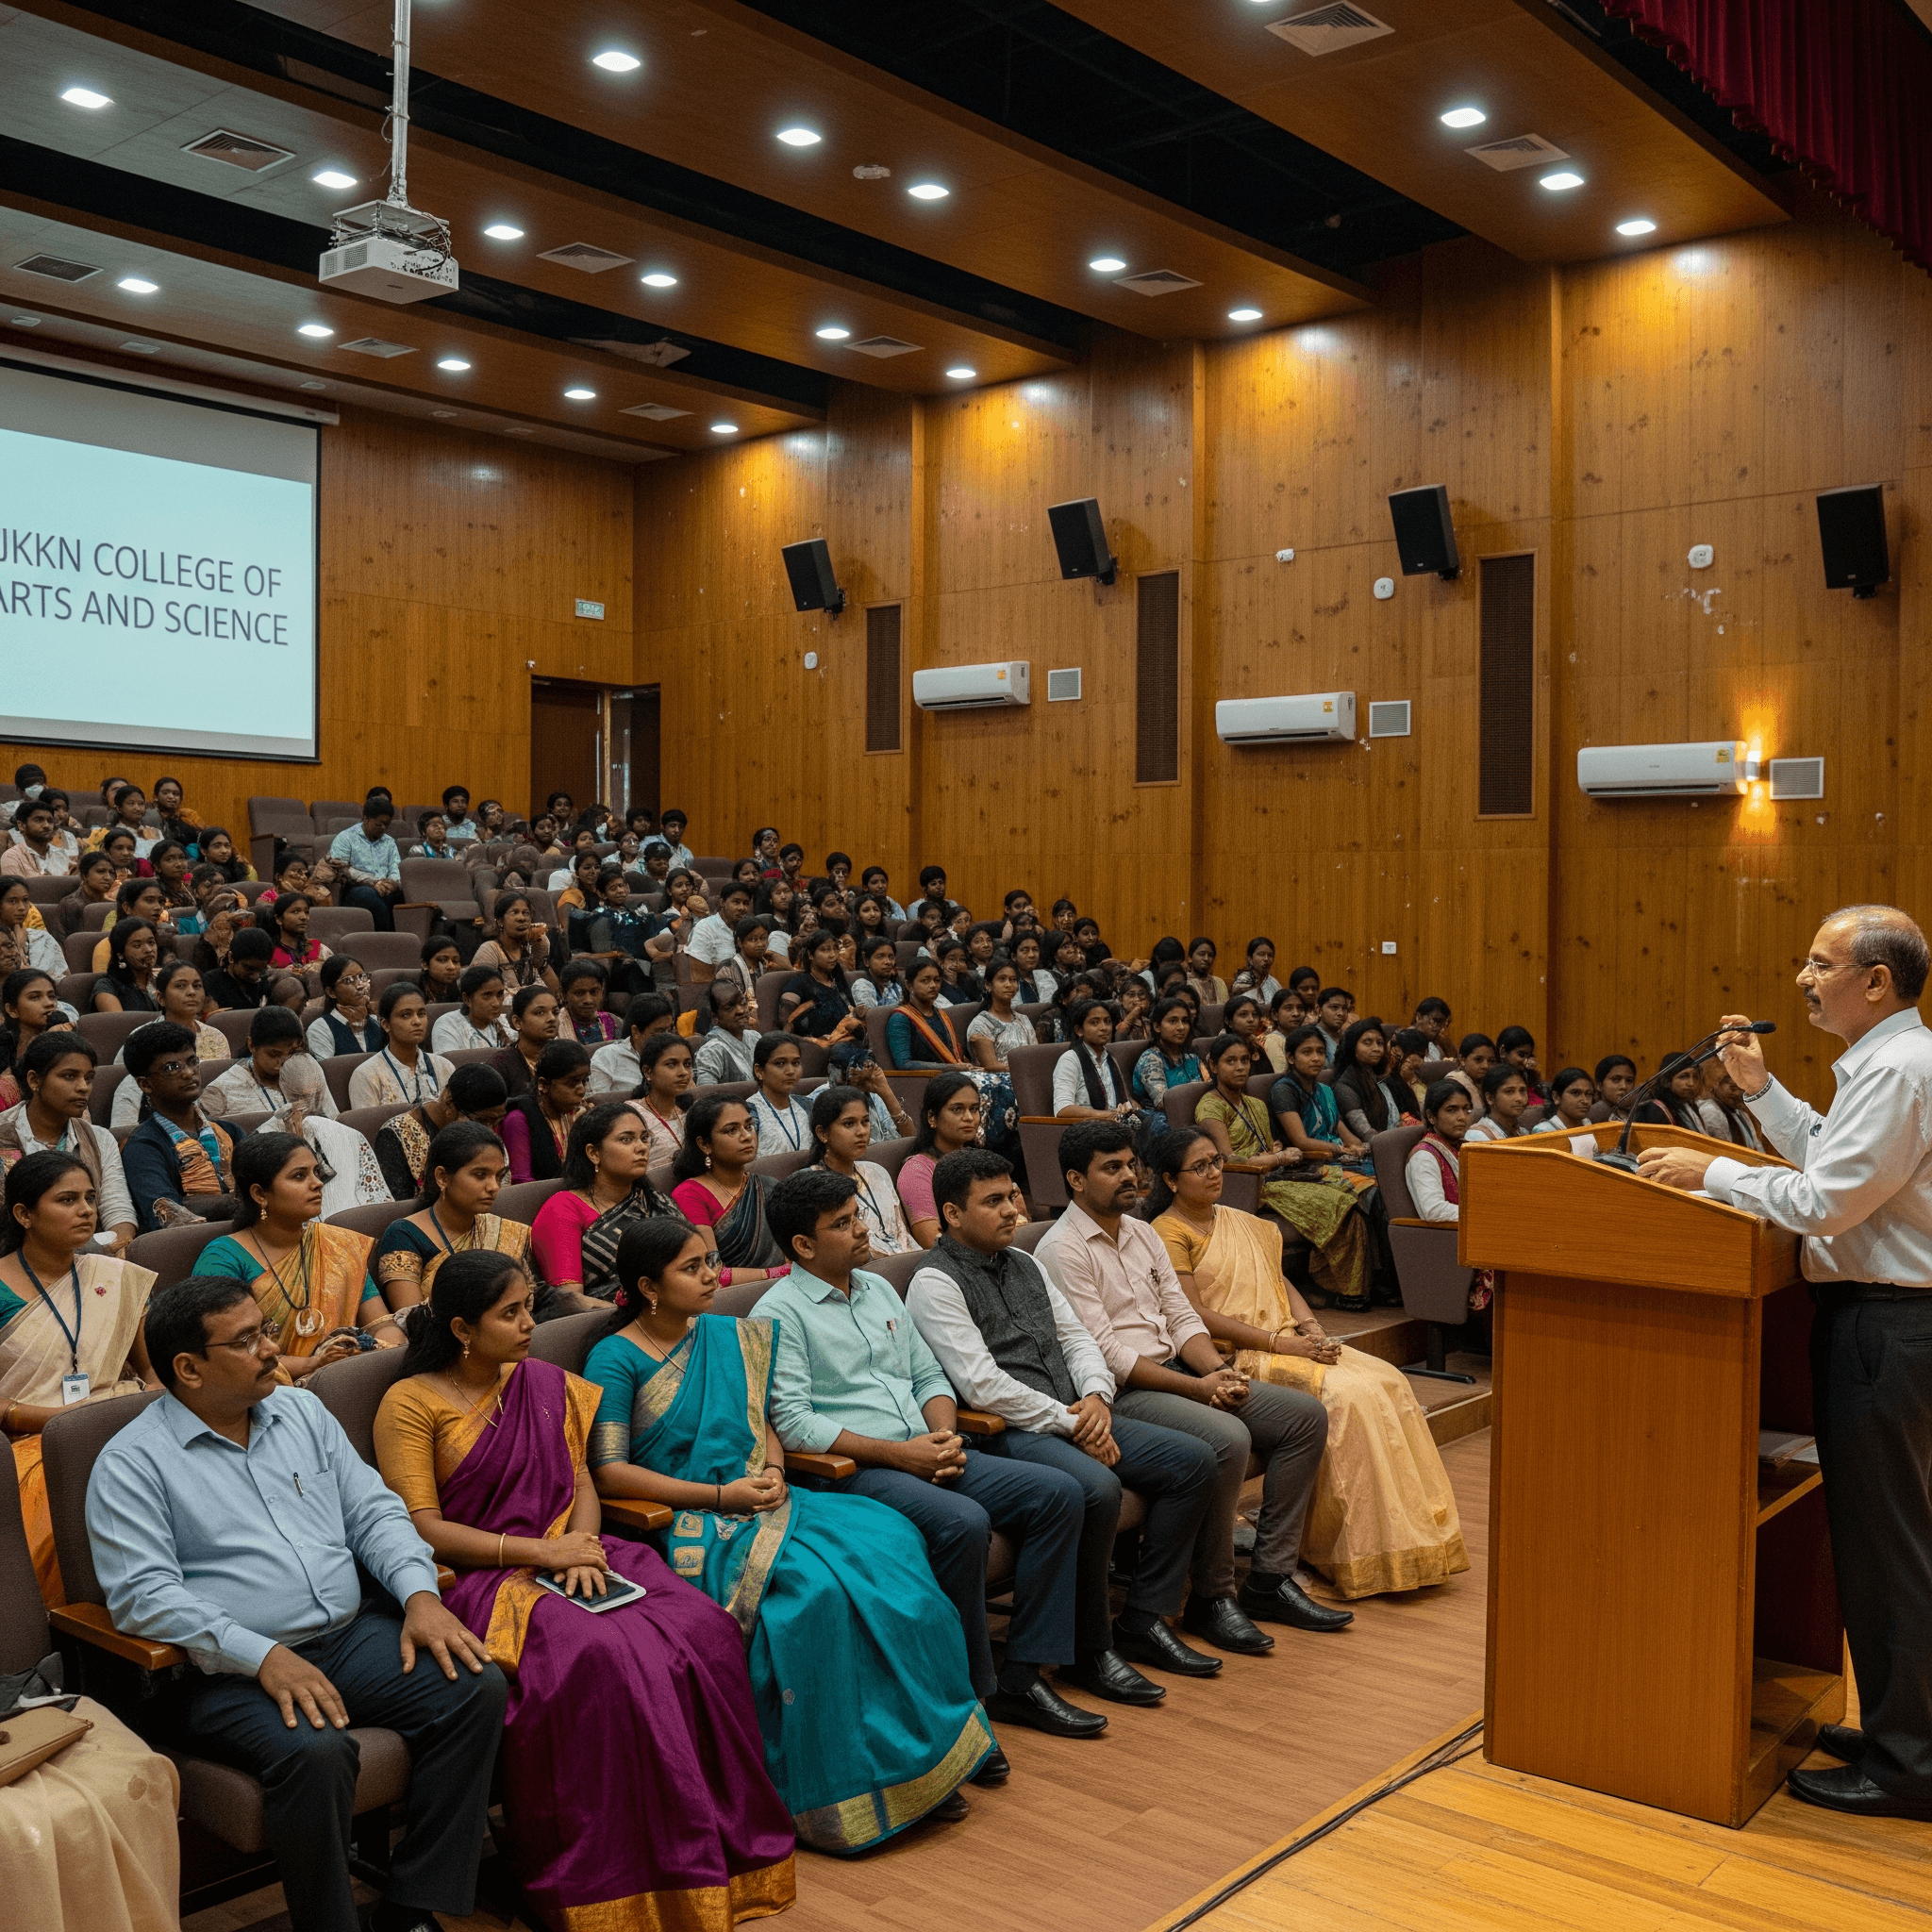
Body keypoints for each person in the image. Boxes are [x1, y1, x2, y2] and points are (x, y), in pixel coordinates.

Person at [370, 1245, 801, 1924]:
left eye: (528, 1308)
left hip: (577, 1552)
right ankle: (609, 1874)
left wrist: (584, 1548)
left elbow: (579, 1483)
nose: (527, 1325)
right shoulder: (411, 1402)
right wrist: (543, 1551)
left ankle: (705, 1847)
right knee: (600, 1656)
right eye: (509, 1314)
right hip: (486, 1576)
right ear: (460, 1329)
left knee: (706, 1631)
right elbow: (420, 1528)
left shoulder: (544, 1382)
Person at [86, 1274, 508, 1932]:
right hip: (220, 1673)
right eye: (247, 1340)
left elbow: (375, 1514)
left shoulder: (301, 1412)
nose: (270, 1350)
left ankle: (411, 1904)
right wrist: (262, 1656)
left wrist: (421, 1595)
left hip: (347, 1635)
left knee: (472, 1687)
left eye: (265, 1332)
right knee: (315, 1751)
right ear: (189, 1368)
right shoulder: (132, 1463)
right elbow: (144, 1598)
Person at [1634, 907, 1932, 1821]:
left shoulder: (1894, 1069)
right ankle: (1900, 1728)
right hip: (1880, 1323)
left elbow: (1823, 1199)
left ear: (1872, 980)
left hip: (1882, 1327)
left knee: (1888, 1547)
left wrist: (1707, 1171)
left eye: (1818, 962)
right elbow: (1834, 1162)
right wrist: (1760, 1092)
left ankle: (1906, 1761)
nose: (1801, 978)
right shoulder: (1891, 1062)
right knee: (1888, 1540)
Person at [583, 1220, 991, 1845]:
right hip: (689, 1522)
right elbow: (610, 1473)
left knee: (894, 1547)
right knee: (813, 1599)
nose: (711, 1278)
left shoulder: (726, 1336)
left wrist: (772, 1469)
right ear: (647, 1286)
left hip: (766, 1497)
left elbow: (762, 1420)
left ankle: (919, 1763)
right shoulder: (615, 1357)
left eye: (711, 1262)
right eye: (691, 1268)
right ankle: (832, 1789)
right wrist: (724, 1495)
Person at [758, 1167, 1098, 1744]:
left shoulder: (878, 1288)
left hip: (926, 1449)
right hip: (854, 1471)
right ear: (803, 1246)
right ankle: (969, 1696)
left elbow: (928, 1375)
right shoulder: (778, 1312)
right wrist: (900, 1455)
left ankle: (1023, 1675)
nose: (863, 1230)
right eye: (843, 1224)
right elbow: (792, 1423)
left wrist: (942, 1438)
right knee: (964, 1523)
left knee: (1058, 1494)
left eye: (858, 1215)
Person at [907, 1148, 1226, 1699]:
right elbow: (983, 1385)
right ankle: (1087, 1649)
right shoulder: (934, 1283)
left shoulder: (1025, 1261)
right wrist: (1072, 1421)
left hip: (1076, 1412)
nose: (1012, 1210)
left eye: (1012, 1196)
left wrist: (1099, 1397)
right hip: (1008, 1431)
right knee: (1097, 1487)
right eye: (994, 1202)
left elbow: (1077, 1337)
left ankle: (1145, 1618)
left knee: (1194, 1462)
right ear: (952, 1215)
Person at [1038, 1122, 1349, 1641]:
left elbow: (1183, 1318)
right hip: (1124, 1392)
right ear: (1075, 1178)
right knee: (1229, 1438)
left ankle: (1270, 1577)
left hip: (1182, 1371)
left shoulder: (1140, 1232)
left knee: (1303, 1417)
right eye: (1110, 1168)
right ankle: (1213, 1595)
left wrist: (1216, 1372)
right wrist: (1198, 1389)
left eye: (1130, 1164)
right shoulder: (1062, 1249)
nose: (1128, 1176)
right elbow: (1106, 1355)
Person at [1150, 1127, 1469, 1599]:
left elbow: (1280, 1283)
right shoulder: (1166, 1231)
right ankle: (1343, 1548)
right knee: (1347, 1396)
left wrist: (1312, 1329)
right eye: (1199, 1167)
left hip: (1287, 1338)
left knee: (1389, 1379)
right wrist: (1282, 1344)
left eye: (1216, 1162)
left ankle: (1408, 1539)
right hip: (1240, 1355)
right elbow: (1194, 1312)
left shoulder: (1240, 1220)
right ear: (1170, 1180)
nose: (1214, 1173)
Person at [0, 1151, 155, 1602]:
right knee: (52, 1527)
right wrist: (56, 1420)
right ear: (24, 1214)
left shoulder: (114, 1276)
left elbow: (149, 1369)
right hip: (32, 1442)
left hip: (124, 1422)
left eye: (90, 1198)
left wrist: (152, 1404)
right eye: (67, 1200)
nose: (86, 1209)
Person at [1194, 1034, 1374, 1308]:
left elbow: (1267, 1147)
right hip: (1246, 1184)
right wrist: (1277, 1157)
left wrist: (1274, 1153)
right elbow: (1228, 1161)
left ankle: (1332, 1286)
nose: (1240, 1067)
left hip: (1275, 1177)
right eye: (1231, 1061)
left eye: (1244, 1060)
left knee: (1348, 1200)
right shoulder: (1210, 1106)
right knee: (1337, 1204)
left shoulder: (1255, 1104)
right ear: (1213, 1065)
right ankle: (1337, 1288)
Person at [197, 1134, 397, 1374]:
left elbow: (381, 1324)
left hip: (347, 1375)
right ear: (260, 1194)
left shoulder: (337, 1245)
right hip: (269, 1392)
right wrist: (313, 1364)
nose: (317, 1183)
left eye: (316, 1173)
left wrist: (382, 1347)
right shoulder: (223, 1258)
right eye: (299, 1176)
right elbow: (229, 1353)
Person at [368, 1120, 534, 1312]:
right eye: (480, 1175)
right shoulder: (403, 1236)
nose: (494, 1187)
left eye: (498, 1176)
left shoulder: (503, 1232)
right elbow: (412, 1320)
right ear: (442, 1177)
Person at [529, 1103, 680, 1303]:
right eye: (626, 1139)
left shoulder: (654, 1200)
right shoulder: (563, 1208)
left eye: (644, 1138)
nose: (642, 1147)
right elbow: (570, 1301)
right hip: (612, 1323)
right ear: (594, 1153)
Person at [0, 1032, 137, 1253]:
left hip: (88, 1256)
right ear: (34, 1080)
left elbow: (118, 1212)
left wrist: (116, 1248)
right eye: (70, 1076)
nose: (83, 1087)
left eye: (89, 1078)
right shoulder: (3, 1134)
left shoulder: (99, 1139)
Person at [119, 1023, 245, 1229]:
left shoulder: (231, 1132)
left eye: (192, 1062)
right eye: (171, 1068)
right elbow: (167, 1214)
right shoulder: (142, 1147)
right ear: (145, 1084)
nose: (188, 1073)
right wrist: (241, 1201)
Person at [670, 1094, 791, 1283]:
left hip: (787, 1287)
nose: (747, 1136)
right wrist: (774, 1274)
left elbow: (793, 1251)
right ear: (705, 1144)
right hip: (731, 1300)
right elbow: (713, 1272)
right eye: (732, 1130)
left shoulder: (769, 1185)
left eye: (749, 1126)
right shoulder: (690, 1194)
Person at [374, 1061, 509, 1203]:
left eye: (496, 1121)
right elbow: (400, 1206)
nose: (489, 1130)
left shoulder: (487, 1135)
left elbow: (502, 1191)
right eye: (481, 1121)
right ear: (450, 1103)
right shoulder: (396, 1134)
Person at [806, 1084, 915, 1254]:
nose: (862, 1132)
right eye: (849, 1124)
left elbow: (904, 1233)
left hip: (905, 1263)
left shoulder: (878, 1172)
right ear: (822, 1134)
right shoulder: (812, 1185)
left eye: (865, 1121)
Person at [347, 984, 454, 1110]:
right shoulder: (367, 1075)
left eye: (421, 1014)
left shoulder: (444, 1067)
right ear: (386, 1024)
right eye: (405, 1015)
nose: (417, 1021)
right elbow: (367, 1128)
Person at [502, 1039, 591, 1185]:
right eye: (572, 1083)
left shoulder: (574, 1115)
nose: (582, 1090)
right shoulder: (518, 1119)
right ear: (543, 1085)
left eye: (584, 1081)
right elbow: (522, 1182)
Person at [1051, 998, 1137, 1124]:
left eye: (1107, 1022)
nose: (1104, 1028)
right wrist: (1107, 1116)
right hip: (1086, 1129)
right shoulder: (1070, 1060)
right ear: (1079, 1030)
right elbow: (1063, 1110)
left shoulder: (1110, 1058)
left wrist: (1127, 1109)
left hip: (1114, 1124)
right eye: (1094, 1023)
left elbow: (1123, 1102)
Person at [326, 796, 404, 932]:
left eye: (387, 824)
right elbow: (343, 870)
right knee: (371, 896)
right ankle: (386, 940)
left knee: (404, 896)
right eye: (379, 824)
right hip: (354, 889)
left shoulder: (389, 842)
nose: (383, 828)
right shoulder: (346, 838)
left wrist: (392, 883)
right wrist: (375, 883)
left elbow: (395, 867)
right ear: (366, 818)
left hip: (385, 888)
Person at [1405, 1078, 1475, 1222]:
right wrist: (1484, 1214)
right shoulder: (1424, 1157)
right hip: (1450, 1237)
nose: (1462, 1117)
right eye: (1452, 1110)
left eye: (1466, 1110)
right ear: (1431, 1117)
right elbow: (1433, 1210)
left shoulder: (1465, 1147)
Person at [0, 969, 69, 1112]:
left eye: (52, 996)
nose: (49, 1003)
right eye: (35, 997)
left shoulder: (63, 1037)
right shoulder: (3, 1043)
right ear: (13, 1010)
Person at [1331, 1017, 1410, 1141]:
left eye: (1379, 1043)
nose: (1376, 1049)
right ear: (1353, 1047)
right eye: (1367, 1043)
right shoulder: (1344, 1086)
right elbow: (1367, 1134)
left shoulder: (1377, 1078)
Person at [625, 1030, 694, 1165]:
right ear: (648, 1072)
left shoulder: (689, 1113)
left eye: (687, 1064)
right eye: (671, 1064)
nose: (683, 1073)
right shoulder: (631, 1114)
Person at [471, 892, 558, 997]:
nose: (522, 918)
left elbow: (555, 990)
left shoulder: (534, 945)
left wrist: (539, 962)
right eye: (514, 912)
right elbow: (483, 995)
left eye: (526, 913)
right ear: (500, 921)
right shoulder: (490, 950)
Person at [490, 983, 563, 1102]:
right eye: (539, 1013)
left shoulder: (564, 1056)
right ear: (518, 1022)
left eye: (555, 1012)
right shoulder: (500, 1066)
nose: (552, 1019)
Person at [746, 1033, 813, 1157]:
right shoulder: (748, 1113)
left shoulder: (808, 1106)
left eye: (796, 1063)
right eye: (780, 1064)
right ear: (759, 1071)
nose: (791, 1071)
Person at [306, 957, 381, 1058]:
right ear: (331, 992)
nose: (360, 985)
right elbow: (328, 1072)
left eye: (362, 977)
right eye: (348, 980)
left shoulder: (377, 1022)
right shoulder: (320, 1029)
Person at [1132, 997, 1201, 1107]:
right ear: (1157, 1027)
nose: (1181, 1027)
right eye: (1173, 1021)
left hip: (1193, 1114)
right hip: (1161, 1119)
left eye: (1185, 1021)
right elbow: (1164, 1103)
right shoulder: (1150, 1059)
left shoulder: (1192, 1058)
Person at [433, 963, 514, 1056]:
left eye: (499, 994)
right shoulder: (448, 1025)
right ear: (467, 999)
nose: (496, 1003)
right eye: (487, 995)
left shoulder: (504, 1022)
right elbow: (448, 1066)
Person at [691, 981, 761, 1086]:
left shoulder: (755, 1037)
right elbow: (706, 1095)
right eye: (729, 1008)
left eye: (742, 1003)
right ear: (715, 1017)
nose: (741, 1011)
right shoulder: (711, 1051)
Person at [202, 924, 282, 1015]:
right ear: (231, 957)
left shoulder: (265, 980)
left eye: (261, 970)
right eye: (249, 968)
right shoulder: (212, 983)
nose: (255, 976)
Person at [0, 880, 66, 981]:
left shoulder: (42, 938)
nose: (22, 908)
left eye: (25, 900)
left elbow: (64, 981)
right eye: (12, 901)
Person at [1, 795, 72, 877]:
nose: (46, 825)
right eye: (39, 820)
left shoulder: (61, 855)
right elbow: (18, 890)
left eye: (50, 821)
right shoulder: (12, 858)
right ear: (21, 825)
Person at [1463, 1062, 1532, 1143]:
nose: (1519, 1098)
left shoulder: (1524, 1133)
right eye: (1509, 1091)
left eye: (1522, 1091)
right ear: (1490, 1098)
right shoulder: (1477, 1136)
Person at [1533, 1066, 1599, 1135]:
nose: (1585, 1101)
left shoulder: (1588, 1124)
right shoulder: (1544, 1131)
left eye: (1589, 1094)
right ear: (1556, 1097)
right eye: (1575, 1093)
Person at [417, 935, 464, 1008]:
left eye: (455, 961)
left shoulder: (463, 992)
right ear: (425, 964)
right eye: (442, 960)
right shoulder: (412, 995)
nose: (451, 967)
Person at [1313, 986, 1354, 1066]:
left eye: (1344, 1008)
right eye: (1334, 1007)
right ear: (1318, 1009)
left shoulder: (1347, 1038)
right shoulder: (1312, 1037)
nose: (1341, 1013)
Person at [1593, 1053, 1638, 1118]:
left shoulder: (1629, 1112)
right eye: (1616, 1080)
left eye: (1629, 1081)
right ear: (1599, 1085)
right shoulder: (1599, 1110)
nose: (1624, 1086)